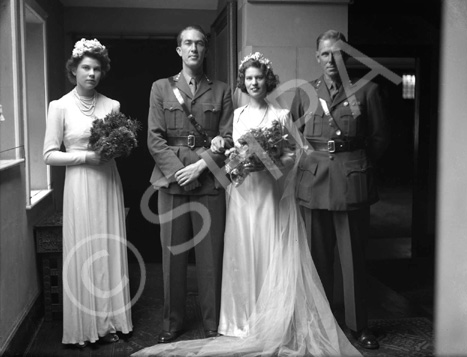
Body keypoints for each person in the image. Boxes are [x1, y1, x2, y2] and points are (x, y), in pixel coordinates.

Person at [132, 52, 361, 357]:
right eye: (249, 78)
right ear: (243, 82)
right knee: (241, 253)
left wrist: (265, 163)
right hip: (241, 197)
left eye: (259, 77)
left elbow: (294, 158)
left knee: (268, 252)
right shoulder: (237, 116)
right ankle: (240, 320)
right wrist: (237, 161)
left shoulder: (280, 116)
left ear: (269, 80)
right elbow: (227, 156)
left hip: (269, 197)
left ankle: (272, 318)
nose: (254, 83)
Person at [290, 30, 390, 350]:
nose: (330, 60)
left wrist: (354, 164)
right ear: (316, 57)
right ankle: (321, 322)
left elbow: (379, 139)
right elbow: (294, 134)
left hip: (351, 184)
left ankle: (359, 326)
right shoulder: (305, 92)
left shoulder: (368, 90)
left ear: (345, 55)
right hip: (315, 183)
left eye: (336, 53)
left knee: (353, 260)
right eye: (324, 54)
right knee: (318, 261)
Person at [146, 25, 234, 343]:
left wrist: (200, 167)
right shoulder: (161, 88)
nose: (194, 48)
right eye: (187, 43)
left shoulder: (222, 91)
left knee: (210, 257)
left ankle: (212, 321)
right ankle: (172, 323)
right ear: (179, 50)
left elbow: (228, 139)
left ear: (206, 50)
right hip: (171, 184)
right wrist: (179, 171)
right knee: (173, 256)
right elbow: (154, 139)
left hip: (209, 181)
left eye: (199, 43)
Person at [43, 38, 133, 348]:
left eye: (96, 68)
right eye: (85, 68)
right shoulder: (60, 106)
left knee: (107, 247)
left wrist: (115, 149)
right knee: (83, 248)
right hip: (79, 184)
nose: (91, 74)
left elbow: (119, 145)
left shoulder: (113, 106)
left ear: (102, 71)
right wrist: (85, 157)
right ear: (74, 70)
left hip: (107, 182)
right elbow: (49, 154)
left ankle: (111, 322)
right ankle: (84, 326)